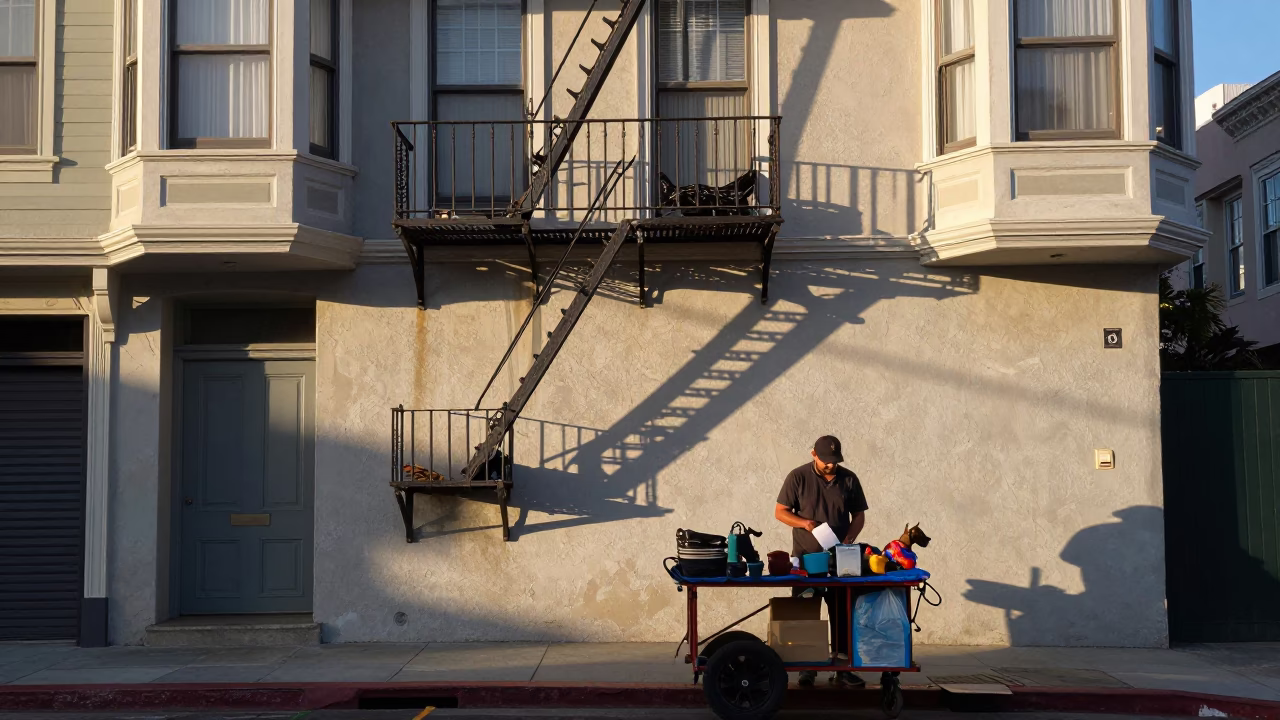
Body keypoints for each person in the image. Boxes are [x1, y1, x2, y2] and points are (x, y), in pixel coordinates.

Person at [774, 435, 868, 688]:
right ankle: (807, 667)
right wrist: (804, 523)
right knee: (806, 613)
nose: (830, 465)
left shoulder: (848, 478)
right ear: (813, 453)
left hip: (840, 561)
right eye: (825, 460)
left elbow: (859, 515)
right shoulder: (798, 477)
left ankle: (843, 668)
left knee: (842, 611)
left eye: (834, 461)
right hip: (806, 561)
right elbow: (780, 512)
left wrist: (850, 537)